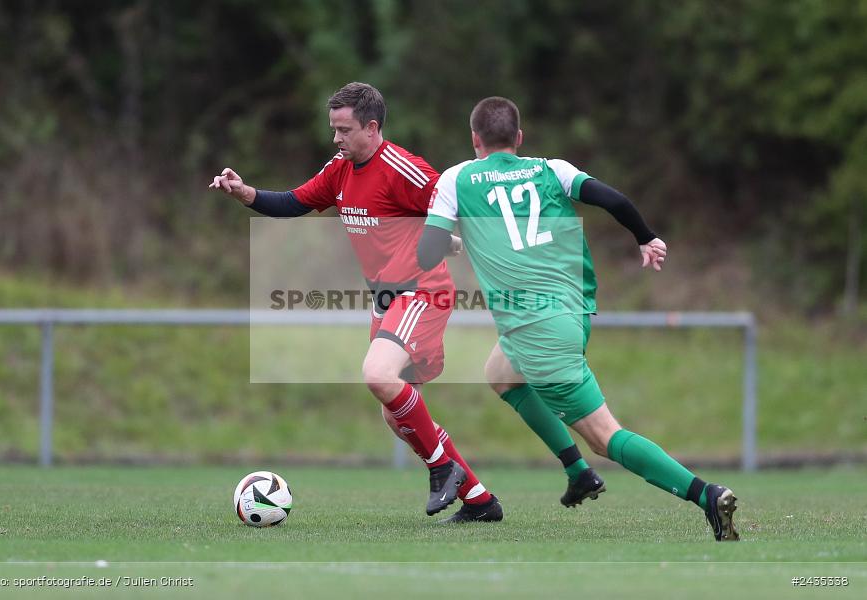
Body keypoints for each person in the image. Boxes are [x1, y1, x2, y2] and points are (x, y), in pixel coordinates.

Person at [416, 96, 739, 541]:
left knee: (606, 437)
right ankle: (577, 472)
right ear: (520, 138)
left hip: (536, 328)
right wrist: (646, 237)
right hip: (575, 309)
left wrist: (453, 241)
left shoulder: (457, 178)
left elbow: (428, 251)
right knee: (501, 373)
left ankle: (706, 495)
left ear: (475, 139)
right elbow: (614, 199)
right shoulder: (552, 169)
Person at [209, 82, 501, 522]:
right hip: (386, 300)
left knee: (377, 375)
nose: (336, 139)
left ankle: (443, 470)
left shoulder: (403, 168)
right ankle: (480, 501)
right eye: (333, 129)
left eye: (344, 129)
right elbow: (294, 202)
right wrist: (245, 193)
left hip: (421, 292)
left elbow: (456, 202)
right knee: (395, 416)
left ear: (371, 126)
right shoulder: (341, 168)